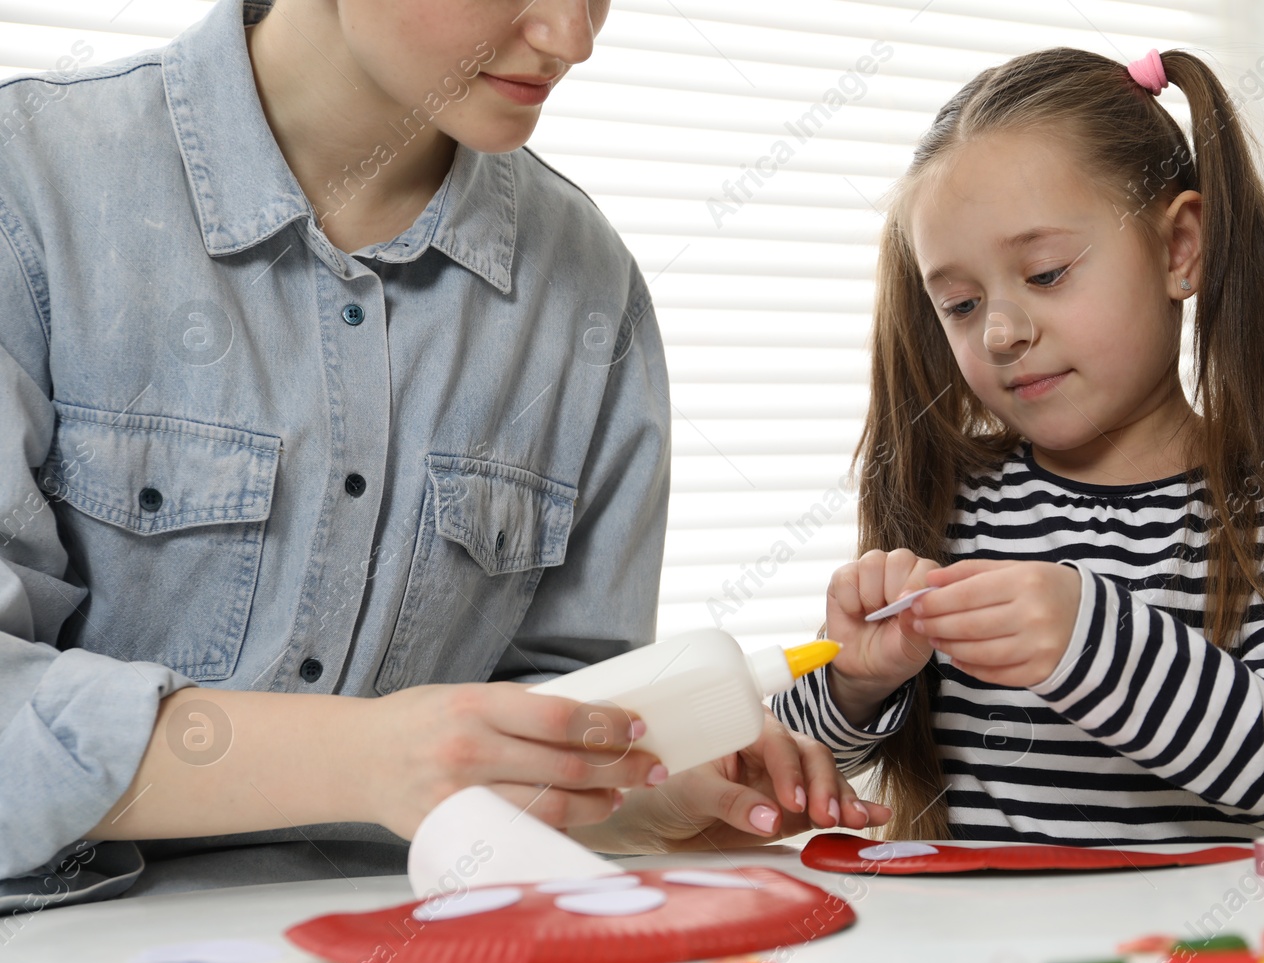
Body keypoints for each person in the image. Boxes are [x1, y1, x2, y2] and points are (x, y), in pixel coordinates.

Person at [0, 0, 886, 912]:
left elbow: (537, 737)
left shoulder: (589, 288)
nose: (572, 39)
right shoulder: (29, 182)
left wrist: (635, 792)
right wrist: (364, 757)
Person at [771, 47, 1264, 849]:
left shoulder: (1262, 499)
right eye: (961, 302)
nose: (1004, 331)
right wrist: (852, 676)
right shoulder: (954, 500)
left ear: (1180, 247)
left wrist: (1091, 639)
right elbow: (797, 745)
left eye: (1046, 273)